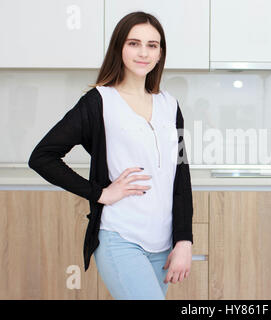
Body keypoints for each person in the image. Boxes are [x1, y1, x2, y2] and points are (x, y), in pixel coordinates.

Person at [28, 11, 194, 300]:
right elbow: (43, 156)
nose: (143, 52)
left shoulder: (170, 104)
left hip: (163, 244)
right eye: (134, 43)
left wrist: (184, 240)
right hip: (121, 237)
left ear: (160, 53)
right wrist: (100, 193)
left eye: (152, 45)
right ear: (119, 47)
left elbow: (181, 174)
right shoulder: (99, 101)